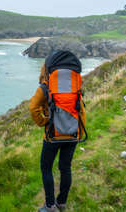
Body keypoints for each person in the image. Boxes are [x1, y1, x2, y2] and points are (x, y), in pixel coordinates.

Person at [29, 60, 79, 212]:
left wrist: (44, 121)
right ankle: (61, 203)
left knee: (46, 168)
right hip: (72, 134)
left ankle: (50, 206)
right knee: (65, 168)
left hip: (52, 136)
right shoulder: (74, 86)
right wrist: (78, 131)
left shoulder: (45, 87)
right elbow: (80, 109)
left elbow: (32, 107)